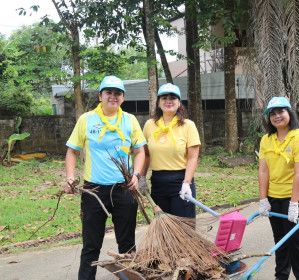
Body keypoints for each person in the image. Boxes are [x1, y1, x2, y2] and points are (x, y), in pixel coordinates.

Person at [63, 75, 146, 280]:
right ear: (100, 96)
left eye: (117, 93)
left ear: (123, 98)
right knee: (91, 245)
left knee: (127, 245)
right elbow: (72, 150)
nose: (113, 96)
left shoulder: (130, 120)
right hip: (94, 191)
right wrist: (70, 177)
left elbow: (140, 151)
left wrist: (136, 175)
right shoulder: (86, 119)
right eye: (108, 92)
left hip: (125, 188)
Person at [258, 96, 299, 280]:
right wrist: (263, 199)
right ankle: (281, 277)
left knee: (296, 241)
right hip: (274, 197)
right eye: (272, 113)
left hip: (297, 197)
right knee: (279, 241)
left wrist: (294, 203)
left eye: (280, 111)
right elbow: (263, 171)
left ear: (289, 112)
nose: (276, 116)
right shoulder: (266, 139)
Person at [138, 83, 201, 218]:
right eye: (164, 98)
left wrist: (186, 183)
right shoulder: (150, 125)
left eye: (173, 97)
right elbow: (146, 154)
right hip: (158, 182)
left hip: (181, 181)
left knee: (184, 229)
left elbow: (193, 157)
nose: (168, 101)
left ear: (179, 103)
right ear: (158, 103)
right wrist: (141, 177)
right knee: (164, 228)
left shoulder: (188, 125)